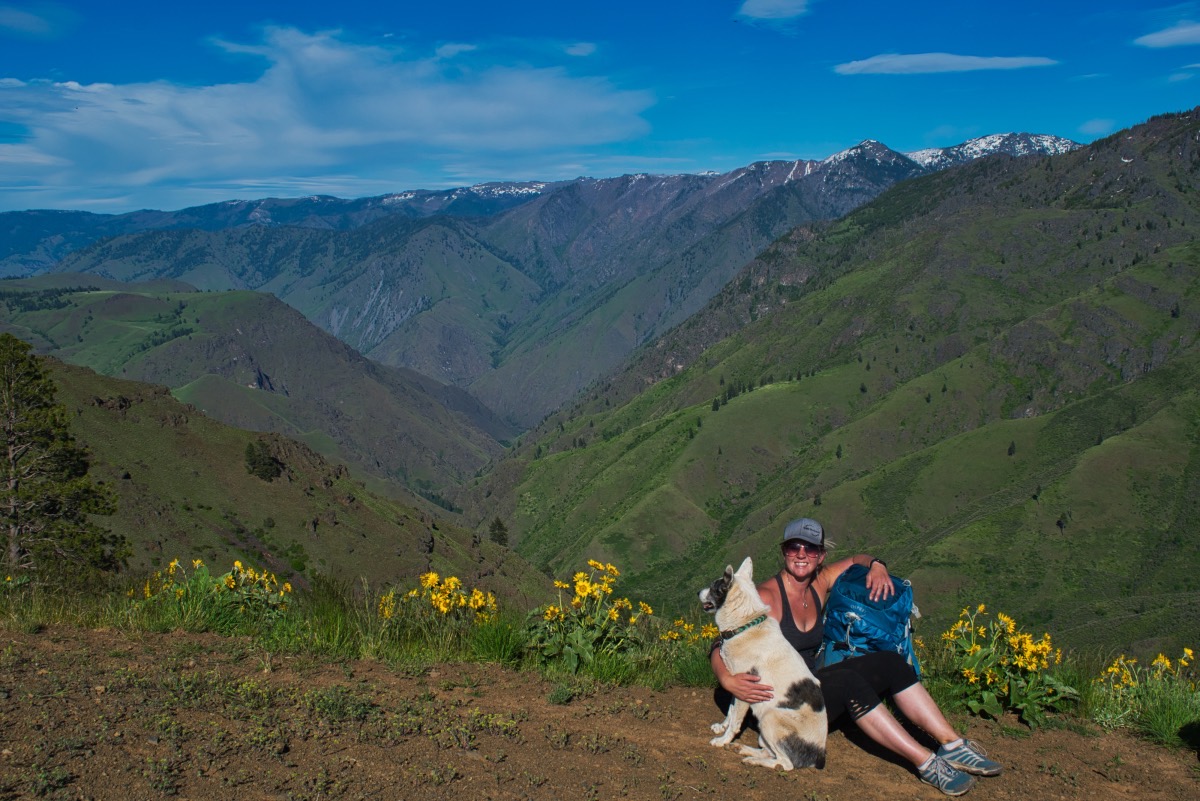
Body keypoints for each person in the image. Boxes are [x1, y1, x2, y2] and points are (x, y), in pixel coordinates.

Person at [710, 517, 1002, 796]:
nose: (802, 555)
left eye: (810, 548)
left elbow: (855, 560)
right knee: (849, 681)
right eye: (793, 547)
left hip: (814, 687)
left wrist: (876, 566)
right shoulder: (767, 595)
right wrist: (727, 679)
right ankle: (926, 762)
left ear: (821, 555)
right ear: (784, 552)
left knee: (892, 661)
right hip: (787, 706)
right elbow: (720, 641)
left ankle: (952, 745)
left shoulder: (820, 582)